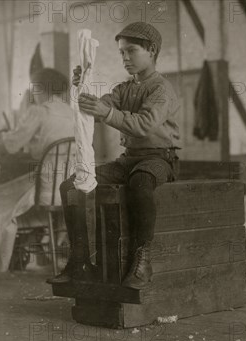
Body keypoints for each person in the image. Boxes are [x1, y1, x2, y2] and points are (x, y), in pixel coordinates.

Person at [48, 22, 180, 288]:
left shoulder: (161, 90)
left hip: (159, 159)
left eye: (131, 51)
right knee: (71, 186)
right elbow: (94, 111)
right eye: (121, 53)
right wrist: (80, 87)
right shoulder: (123, 89)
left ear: (152, 50)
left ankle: (143, 260)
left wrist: (105, 112)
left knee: (141, 184)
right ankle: (80, 261)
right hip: (128, 159)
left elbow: (144, 125)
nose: (125, 58)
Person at [0, 68, 74, 271]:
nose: (32, 92)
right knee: (10, 191)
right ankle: (24, 246)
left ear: (41, 88)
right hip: (66, 189)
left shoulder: (39, 111)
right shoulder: (72, 113)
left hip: (45, 187)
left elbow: (12, 145)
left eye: (33, 87)